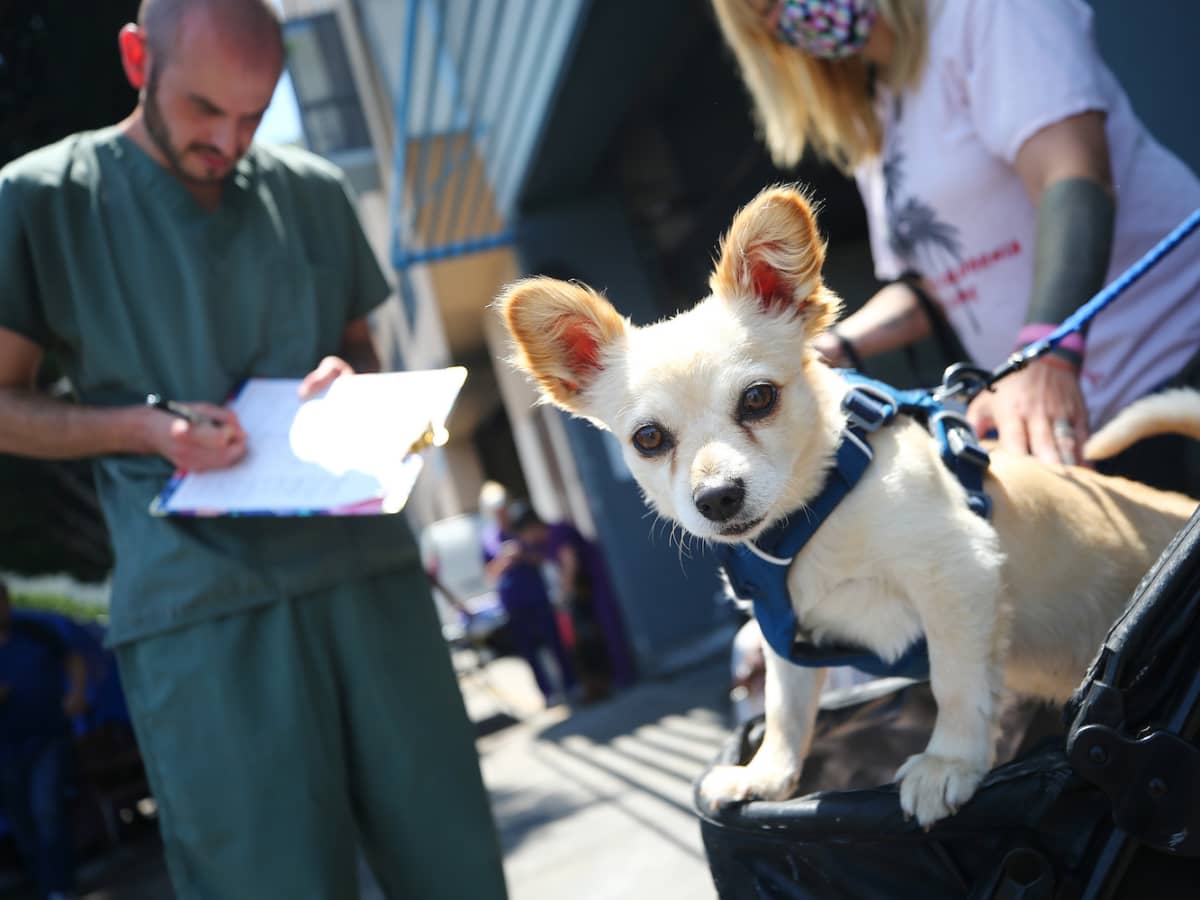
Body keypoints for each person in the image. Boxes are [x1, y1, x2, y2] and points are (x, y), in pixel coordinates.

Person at [0, 2, 508, 897]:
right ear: (134, 59)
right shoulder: (43, 200)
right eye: (205, 110)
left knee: (454, 868)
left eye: (254, 113)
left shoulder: (311, 187)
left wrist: (346, 374)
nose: (230, 140)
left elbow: (361, 344)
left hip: (368, 581)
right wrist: (140, 428)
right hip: (204, 611)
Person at [712, 0, 1200, 495]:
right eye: (769, 13)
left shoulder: (986, 14)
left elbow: (1071, 173)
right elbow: (939, 282)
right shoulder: (881, 109)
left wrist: (1046, 354)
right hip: (1078, 424)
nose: (794, 14)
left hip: (1176, 353)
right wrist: (828, 346)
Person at [0, 583, 88, 900]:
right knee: (23, 824)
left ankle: (61, 888)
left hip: (48, 736)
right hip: (6, 750)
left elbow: (73, 657)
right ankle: (45, 885)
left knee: (47, 809)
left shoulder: (34, 631)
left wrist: (77, 693)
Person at [508, 502, 637, 702]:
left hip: (597, 582)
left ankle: (624, 677)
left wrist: (563, 595)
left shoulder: (558, 532)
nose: (525, 540)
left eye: (524, 534)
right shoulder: (546, 541)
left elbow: (570, 563)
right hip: (585, 588)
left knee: (608, 627)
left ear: (532, 527)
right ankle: (608, 679)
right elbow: (545, 558)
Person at [478, 483, 577, 706]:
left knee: (555, 642)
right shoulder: (488, 538)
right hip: (513, 602)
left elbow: (544, 556)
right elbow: (489, 573)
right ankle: (548, 693)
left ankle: (571, 685)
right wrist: (505, 559)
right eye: (497, 511)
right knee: (528, 650)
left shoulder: (521, 527)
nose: (501, 514)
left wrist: (522, 555)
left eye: (503, 509)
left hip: (537, 595)